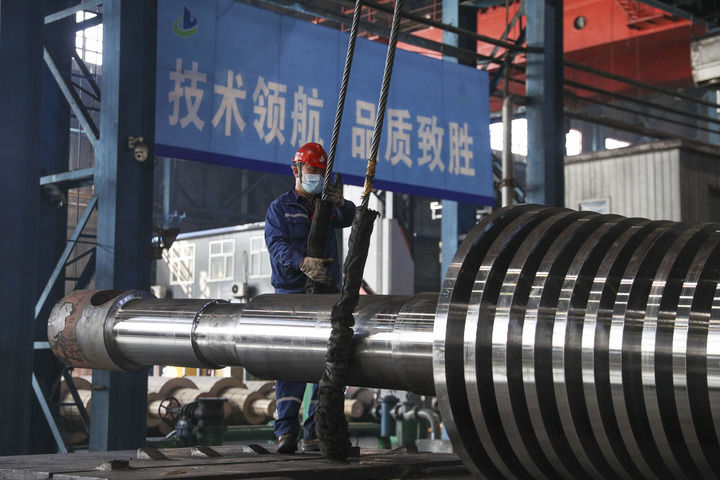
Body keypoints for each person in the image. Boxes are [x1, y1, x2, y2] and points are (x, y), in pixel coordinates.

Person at [264, 142, 356, 453]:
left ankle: (315, 432)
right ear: (296, 171)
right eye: (312, 170)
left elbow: (350, 217)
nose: (316, 175)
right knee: (288, 364)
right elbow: (276, 245)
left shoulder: (326, 207)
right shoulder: (280, 208)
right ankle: (285, 432)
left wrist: (341, 202)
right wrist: (303, 263)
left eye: (320, 171)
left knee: (324, 364)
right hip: (291, 294)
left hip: (325, 295)